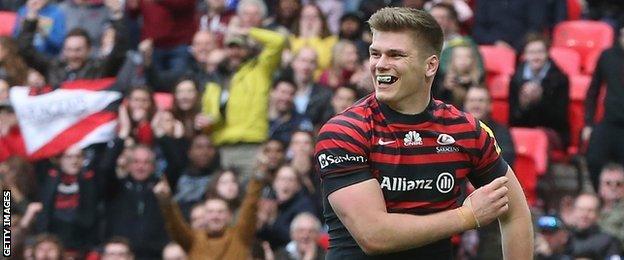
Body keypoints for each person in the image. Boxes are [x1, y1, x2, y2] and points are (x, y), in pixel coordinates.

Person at [314, 7, 533, 259]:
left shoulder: (466, 130)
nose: (380, 65)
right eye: (375, 54)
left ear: (430, 66)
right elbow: (374, 235)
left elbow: (515, 212)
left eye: (395, 55)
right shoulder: (345, 131)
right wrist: (467, 216)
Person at [153, 151, 270, 260]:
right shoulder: (193, 239)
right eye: (210, 212)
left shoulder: (240, 236)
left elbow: (250, 205)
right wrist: (166, 202)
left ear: (229, 215)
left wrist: (258, 175)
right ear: (204, 216)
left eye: (220, 212)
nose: (215, 216)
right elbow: (174, 225)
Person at [16, 0, 128, 88]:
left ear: (88, 50)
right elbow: (25, 50)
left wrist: (117, 14)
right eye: (69, 50)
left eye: (78, 50)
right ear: (64, 50)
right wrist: (31, 15)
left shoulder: (100, 69)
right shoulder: (53, 67)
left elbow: (120, 50)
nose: (73, 55)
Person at [509, 34, 569, 149]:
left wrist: (541, 99)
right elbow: (512, 119)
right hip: (523, 129)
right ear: (525, 55)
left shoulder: (560, 79)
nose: (536, 57)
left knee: (540, 139)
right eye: (531, 53)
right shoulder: (515, 80)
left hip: (551, 130)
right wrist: (523, 105)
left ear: (547, 54)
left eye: (540, 52)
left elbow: (560, 119)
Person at [584, 25, 624, 191]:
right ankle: (600, 197)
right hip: (610, 121)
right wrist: (588, 123)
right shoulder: (608, 56)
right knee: (594, 158)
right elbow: (593, 90)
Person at [567, 193, 622, 259]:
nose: (584, 215)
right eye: (581, 209)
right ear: (574, 211)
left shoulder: (608, 241)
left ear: (598, 214)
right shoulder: (565, 238)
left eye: (590, 211)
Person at [269, 77, 314, 145]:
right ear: (272, 92)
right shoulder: (259, 118)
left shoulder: (301, 121)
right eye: (283, 92)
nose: (286, 98)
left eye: (291, 94)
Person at [598, 163, 624, 247]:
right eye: (608, 183)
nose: (613, 187)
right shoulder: (591, 207)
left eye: (618, 184)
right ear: (600, 187)